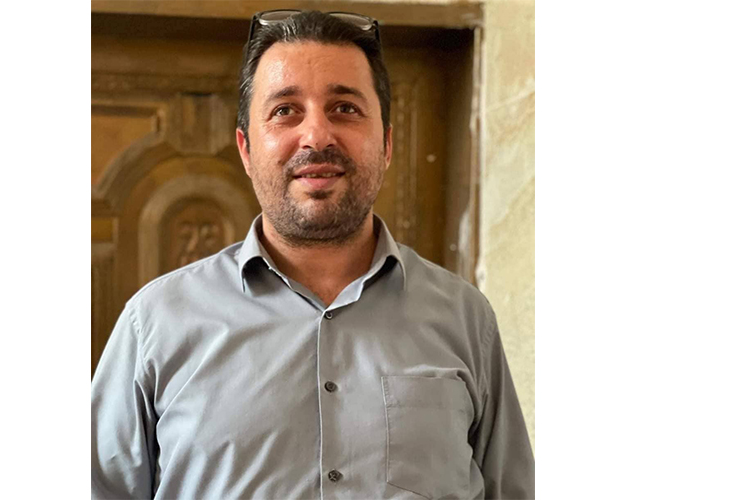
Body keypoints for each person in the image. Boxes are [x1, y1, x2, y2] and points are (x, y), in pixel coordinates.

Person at [92, 10, 534, 499]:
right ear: (246, 149)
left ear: (387, 144)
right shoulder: (155, 324)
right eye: (285, 110)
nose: (317, 136)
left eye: (345, 108)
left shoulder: (465, 319)